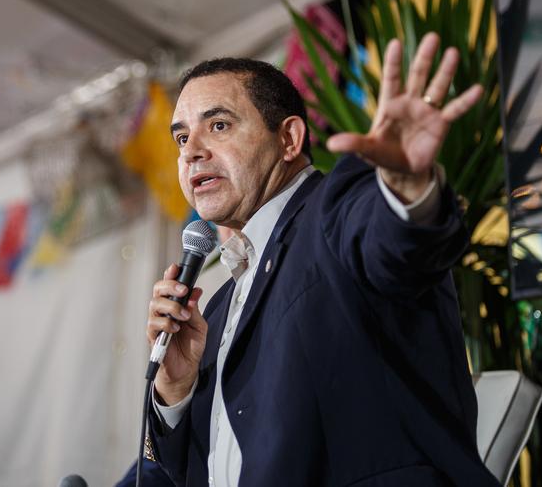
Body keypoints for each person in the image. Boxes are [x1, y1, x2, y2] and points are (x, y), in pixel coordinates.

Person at [145, 34, 499, 486]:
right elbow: (203, 470)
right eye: (181, 136)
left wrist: (407, 191)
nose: (191, 150)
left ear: (289, 138)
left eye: (218, 126)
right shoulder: (212, 312)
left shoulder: (335, 209)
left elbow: (394, 244)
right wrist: (175, 390)